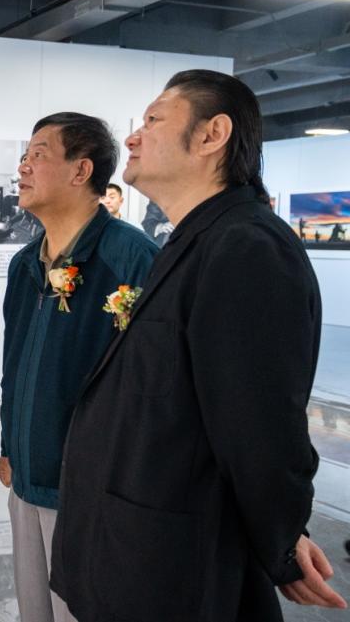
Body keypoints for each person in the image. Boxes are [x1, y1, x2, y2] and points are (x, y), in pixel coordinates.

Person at [50, 70, 347, 619]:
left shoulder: (247, 248)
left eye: (153, 120)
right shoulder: (200, 239)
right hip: (138, 552)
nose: (133, 137)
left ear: (212, 135)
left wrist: (282, 539)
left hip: (175, 569)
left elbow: (259, 426)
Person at [0, 113, 157, 622]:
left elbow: (156, 387)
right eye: (25, 156)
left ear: (81, 170)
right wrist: (9, 444)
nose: (23, 167)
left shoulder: (132, 258)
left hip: (93, 494)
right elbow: (14, 365)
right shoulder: (25, 264)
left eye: (38, 155)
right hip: (27, 479)